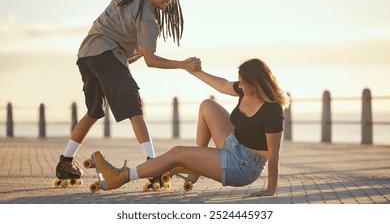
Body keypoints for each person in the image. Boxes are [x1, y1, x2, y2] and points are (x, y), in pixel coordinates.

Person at [54, 0, 201, 183]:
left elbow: (113, 37)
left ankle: (65, 162)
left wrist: (134, 53)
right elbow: (151, 61)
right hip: (105, 55)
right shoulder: (148, 19)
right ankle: (153, 165)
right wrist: (183, 65)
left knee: (94, 112)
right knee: (134, 107)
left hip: (86, 54)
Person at [88, 58, 290, 196]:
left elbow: (274, 155)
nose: (240, 85)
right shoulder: (245, 91)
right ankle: (195, 169)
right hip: (234, 143)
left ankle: (121, 176)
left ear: (258, 84)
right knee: (207, 105)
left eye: (244, 83)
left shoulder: (272, 111)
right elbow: (221, 84)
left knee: (176, 153)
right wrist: (195, 71)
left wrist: (270, 189)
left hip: (244, 166)